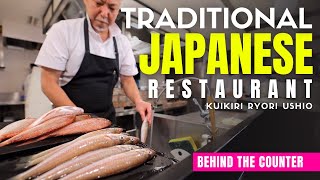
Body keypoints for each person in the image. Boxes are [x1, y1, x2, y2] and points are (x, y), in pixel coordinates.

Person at [35, 0, 152, 124]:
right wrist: (80, 118)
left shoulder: (122, 42)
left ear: (118, 10)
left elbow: (127, 79)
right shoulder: (64, 31)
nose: (105, 13)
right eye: (99, 3)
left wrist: (139, 101)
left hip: (106, 121)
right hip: (70, 122)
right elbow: (48, 83)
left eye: (112, 8)